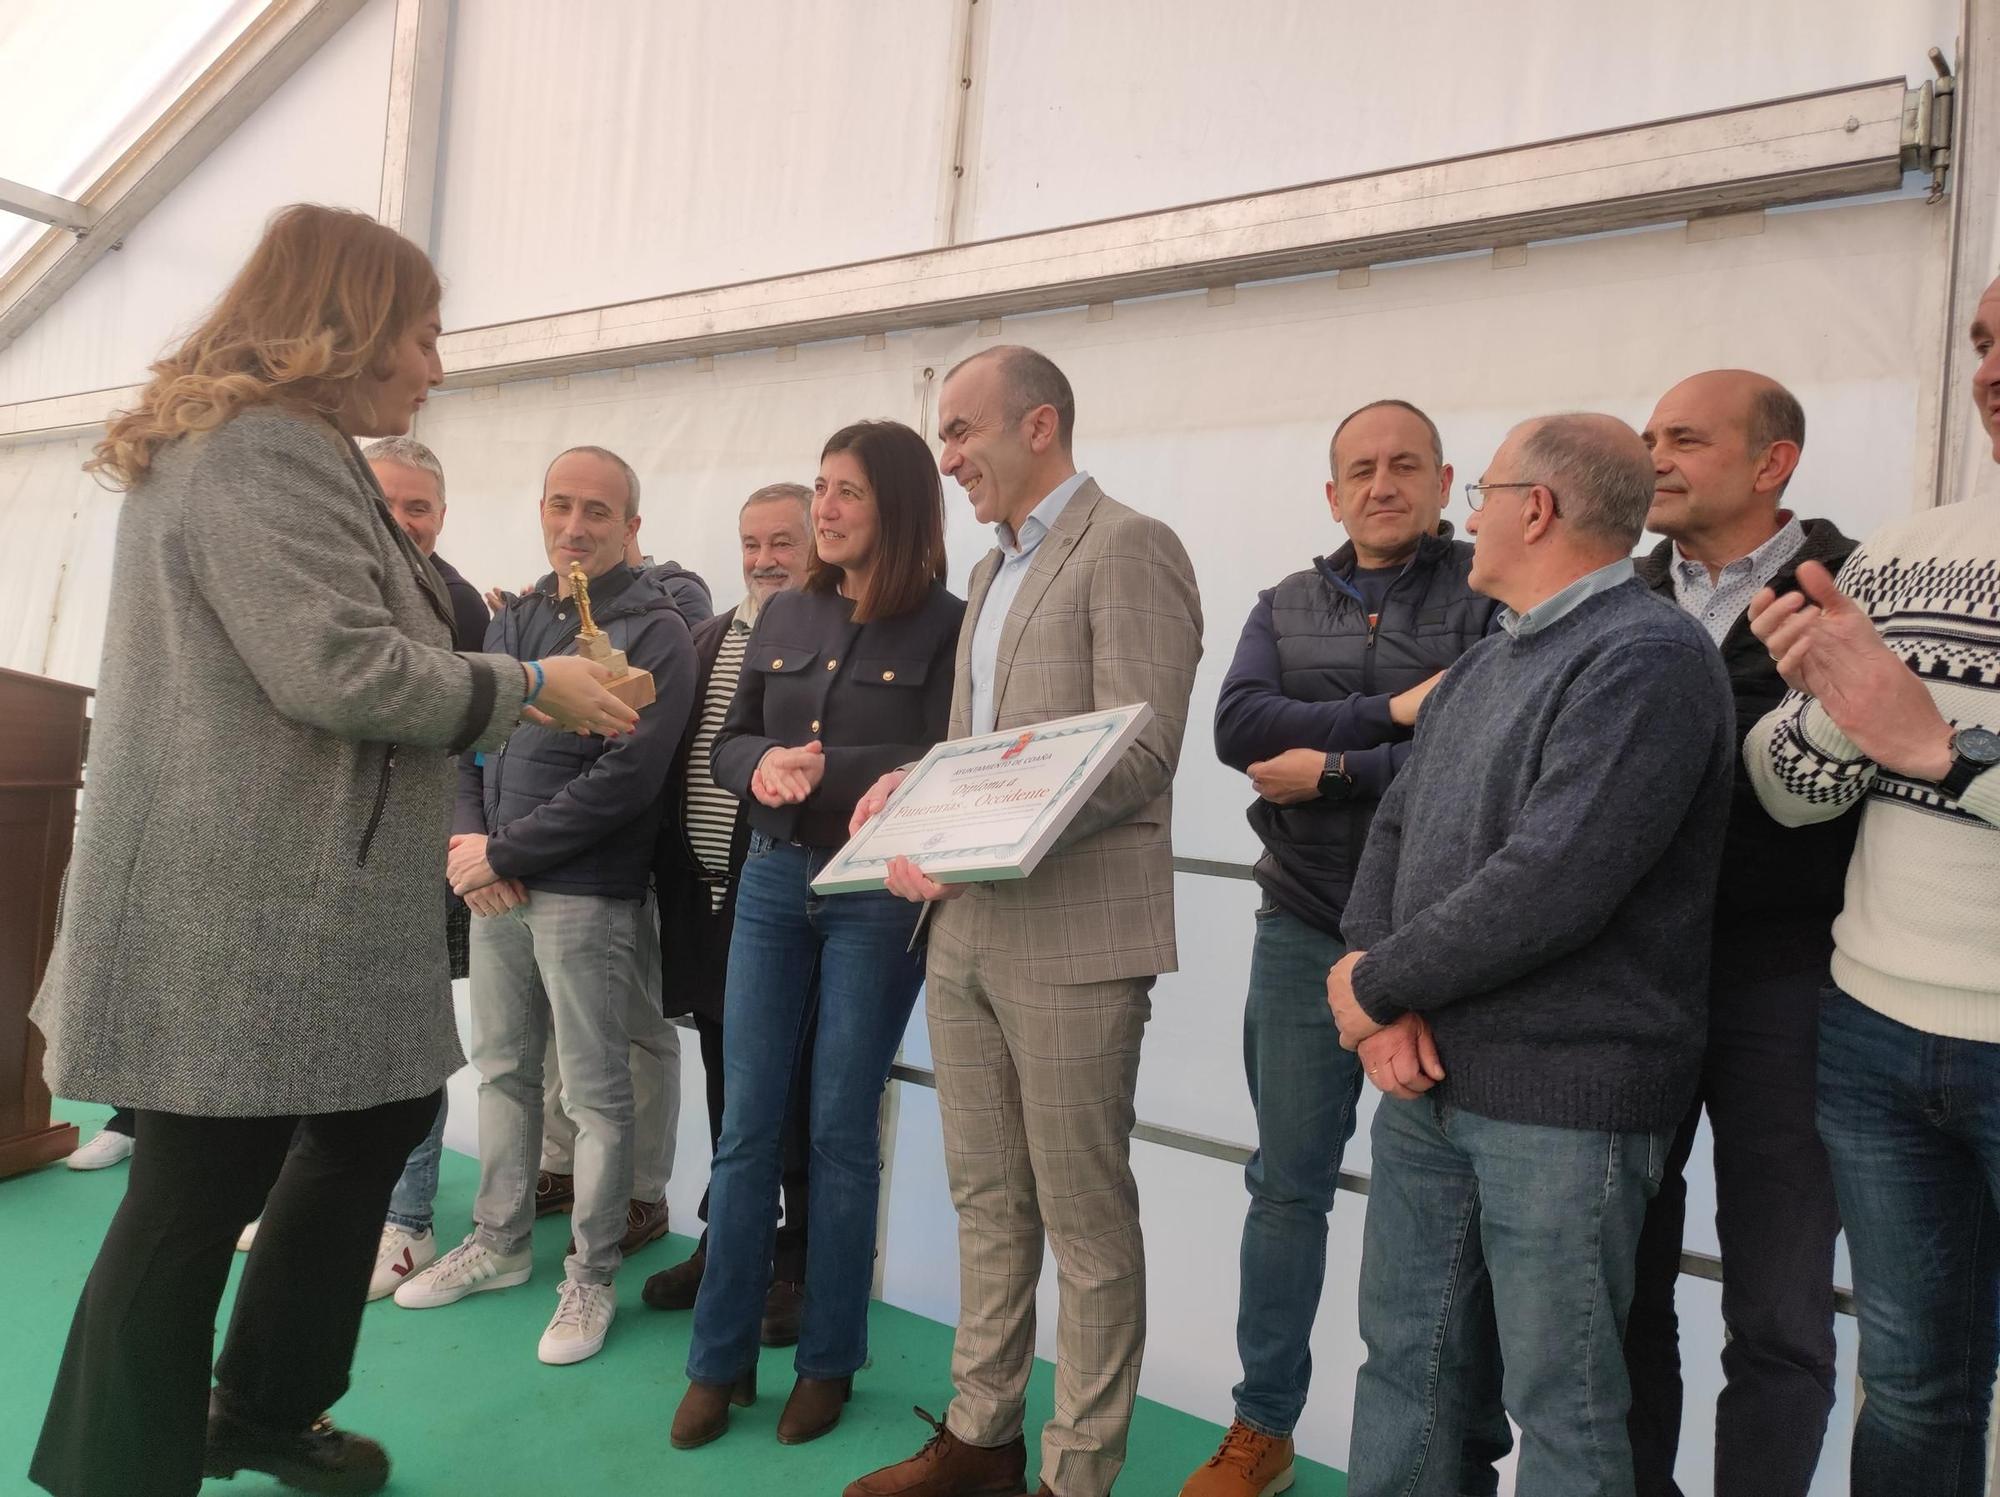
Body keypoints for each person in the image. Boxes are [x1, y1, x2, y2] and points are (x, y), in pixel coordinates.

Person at [25, 203, 636, 1497]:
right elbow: (338, 667)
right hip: (241, 907)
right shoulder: (258, 454)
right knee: (193, 1195)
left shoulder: (277, 449)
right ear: (344, 324)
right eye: (421, 332)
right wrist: (537, 686)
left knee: (378, 1111)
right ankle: (115, 1470)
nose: (434, 363)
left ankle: (261, 1402)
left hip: (293, 903)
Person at [1330, 413, 1736, 1497]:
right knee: (1408, 1373)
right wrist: (1375, 987)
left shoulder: (1646, 658)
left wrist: (1373, 984)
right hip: (1428, 1081)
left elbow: (1553, 880)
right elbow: (1395, 832)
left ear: (1537, 508)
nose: (1468, 517)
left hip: (1564, 1102)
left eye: (1483, 495)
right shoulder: (1489, 660)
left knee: (1564, 1407)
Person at [844, 346, 1203, 1497]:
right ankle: (979, 1440)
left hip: (1075, 941)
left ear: (1036, 425)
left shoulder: (1131, 545)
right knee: (986, 1200)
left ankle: (1075, 1477)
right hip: (964, 932)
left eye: (958, 432)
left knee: (1084, 1226)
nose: (943, 460)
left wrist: (981, 826)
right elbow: (982, 747)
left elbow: (1141, 753)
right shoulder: (994, 573)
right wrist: (918, 794)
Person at [1188, 400, 1501, 1497]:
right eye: (1360, 469)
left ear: (1442, 479)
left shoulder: (1489, 593)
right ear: (1330, 493)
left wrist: (1329, 767)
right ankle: (1261, 1426)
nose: (1382, 483)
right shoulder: (1285, 600)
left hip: (1440, 939)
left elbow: (1485, 743)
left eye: (1404, 465)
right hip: (1301, 925)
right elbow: (1236, 730)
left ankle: (1458, 1445)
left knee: (1454, 1207)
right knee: (1286, 1186)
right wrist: (1392, 713)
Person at [1744, 276, 2000, 1497]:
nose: (1990, 367)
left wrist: (1935, 749)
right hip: (1873, 1039)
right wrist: (1843, 726)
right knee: (1905, 1383)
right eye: (1982, 340)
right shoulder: (1897, 556)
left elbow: (1922, 746)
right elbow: (1785, 789)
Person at [672, 422, 964, 1450]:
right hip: (770, 879)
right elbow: (732, 742)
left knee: (841, 1130)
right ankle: (717, 1365)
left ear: (895, 506)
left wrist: (819, 771)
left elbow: (938, 760)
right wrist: (757, 768)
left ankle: (828, 1362)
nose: (824, 509)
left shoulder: (948, 625)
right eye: (819, 488)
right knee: (747, 1126)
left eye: (844, 492)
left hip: (872, 897)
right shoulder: (784, 610)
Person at [393, 446, 697, 1368]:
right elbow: (472, 739)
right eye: (562, 505)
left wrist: (507, 851)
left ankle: (591, 1275)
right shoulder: (516, 616)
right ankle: (499, 1240)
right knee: (503, 1072)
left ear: (631, 526)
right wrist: (470, 848)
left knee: (600, 1099)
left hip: (585, 896)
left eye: (598, 511)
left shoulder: (659, 636)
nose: (576, 524)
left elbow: (630, 779)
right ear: (541, 510)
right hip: (498, 889)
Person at [1623, 371, 1855, 1496]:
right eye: (1647, 436)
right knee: (1621, 1282)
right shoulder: (1613, 591)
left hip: (1788, 983)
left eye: (1684, 438)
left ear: (1772, 464)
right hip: (1628, 984)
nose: (1652, 456)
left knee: (1778, 1303)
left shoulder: (1853, 585)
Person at [644, 481, 815, 1347]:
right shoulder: (707, 638)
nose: (763, 559)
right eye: (751, 543)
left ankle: (798, 1261)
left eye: (782, 541)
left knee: (800, 1092)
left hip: (793, 911)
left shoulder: (831, 642)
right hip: (709, 909)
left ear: (819, 542)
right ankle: (729, 1240)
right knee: (726, 1087)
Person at [343, 436, 493, 1298]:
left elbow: (476, 747)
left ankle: (407, 1221)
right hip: (340, 856)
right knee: (330, 1030)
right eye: (386, 503)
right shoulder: (333, 595)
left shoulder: (462, 606)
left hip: (422, 857)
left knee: (411, 1043)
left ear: (441, 514)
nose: (403, 522)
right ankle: (331, 1202)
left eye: (420, 507)